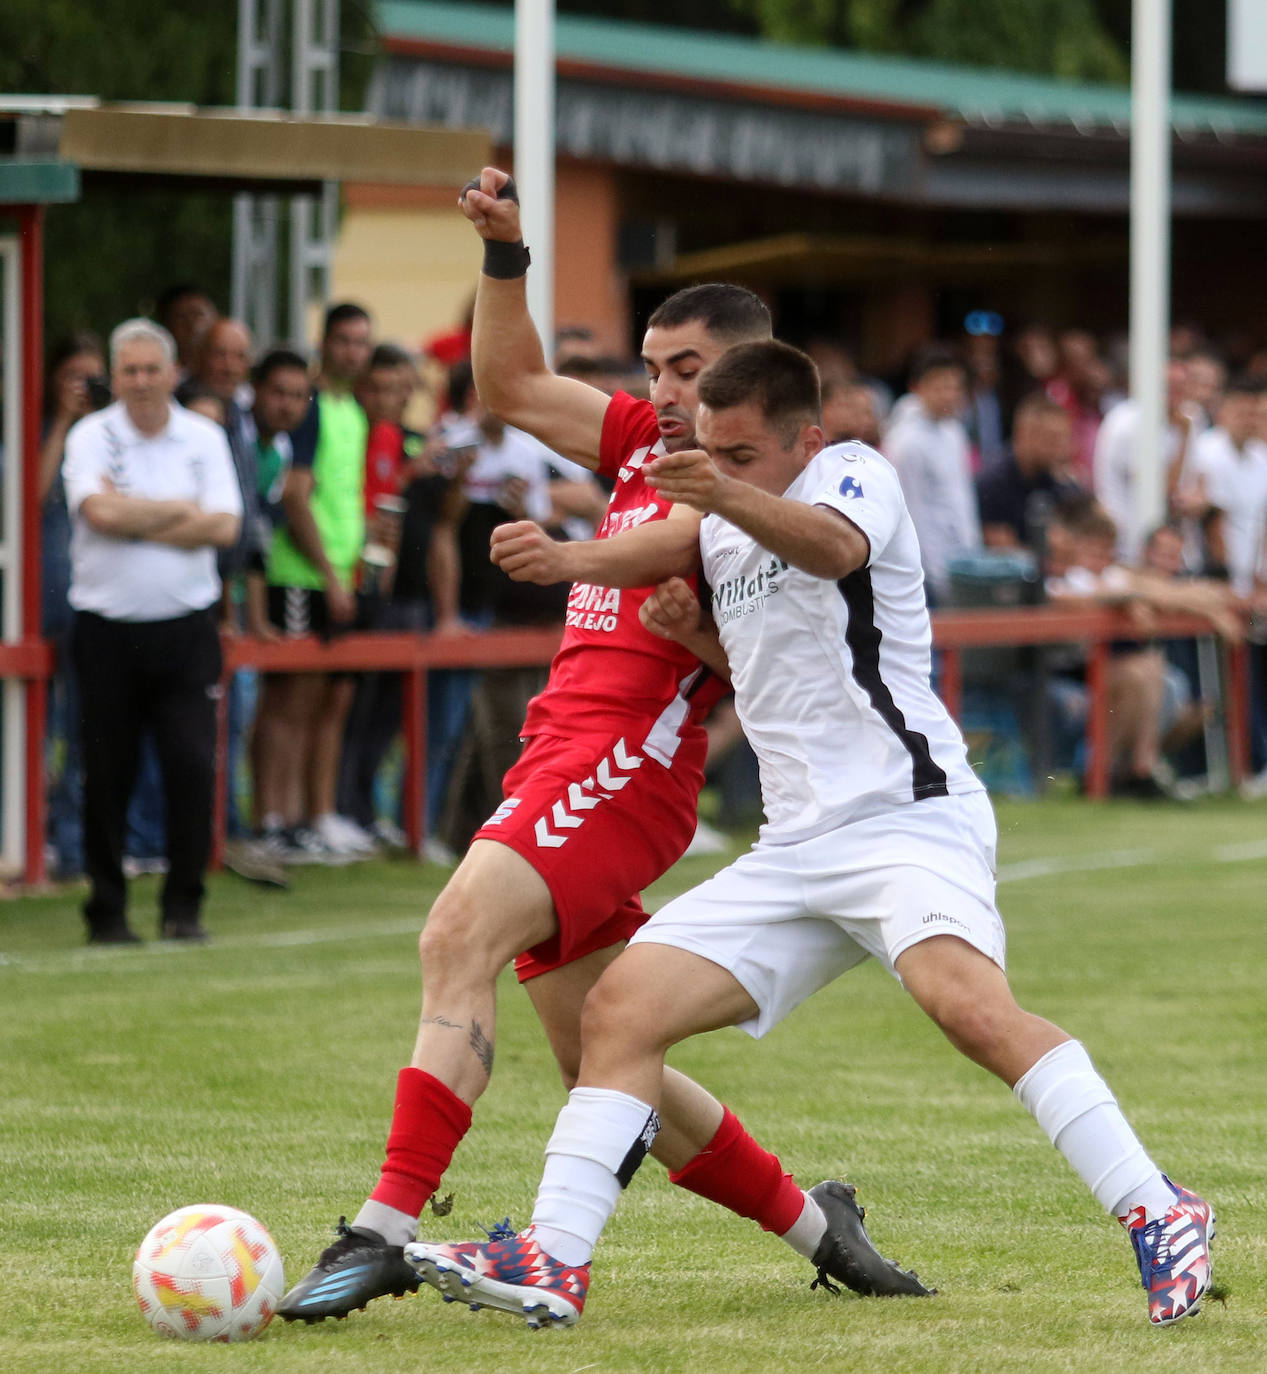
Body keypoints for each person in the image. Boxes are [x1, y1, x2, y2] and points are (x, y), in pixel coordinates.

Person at [404, 340, 1214, 1331]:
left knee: (969, 1010)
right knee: (618, 1015)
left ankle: (1158, 1206)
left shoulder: (852, 475)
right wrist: (574, 563)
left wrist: (714, 500)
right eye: (707, 449)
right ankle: (553, 1262)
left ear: (806, 438)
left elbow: (828, 551)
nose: (716, 468)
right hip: (795, 849)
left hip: (905, 819)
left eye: (739, 453)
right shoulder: (718, 514)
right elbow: (749, 646)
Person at [277, 167, 928, 1323]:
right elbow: (509, 383)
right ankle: (820, 1224)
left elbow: (674, 536)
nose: (662, 391)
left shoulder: (738, 471)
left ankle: (381, 1228)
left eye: (687, 370)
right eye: (654, 367)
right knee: (603, 1061)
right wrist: (506, 254)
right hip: (560, 750)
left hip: (625, 766)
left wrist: (575, 557)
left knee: (454, 934)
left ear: (741, 373)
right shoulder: (637, 441)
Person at [62, 318, 242, 943]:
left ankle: (183, 908)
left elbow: (224, 528)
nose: (140, 382)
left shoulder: (203, 437)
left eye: (150, 369)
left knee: (192, 767)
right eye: (129, 370)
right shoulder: (89, 436)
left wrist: (132, 516)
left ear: (172, 374)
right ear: (114, 376)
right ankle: (107, 912)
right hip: (106, 631)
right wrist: (177, 511)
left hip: (187, 631)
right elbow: (96, 511)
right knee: (106, 775)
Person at [264, 302, 373, 860]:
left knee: (330, 701)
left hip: (338, 574)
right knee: (291, 702)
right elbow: (296, 494)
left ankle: (313, 816)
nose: (354, 351)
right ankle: (272, 819)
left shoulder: (352, 408)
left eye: (362, 342)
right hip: (301, 573)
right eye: (345, 340)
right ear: (325, 342)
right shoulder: (308, 406)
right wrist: (330, 576)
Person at [882, 346, 981, 603]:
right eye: (940, 387)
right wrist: (933, 572)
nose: (950, 395)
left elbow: (963, 498)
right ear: (917, 388)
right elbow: (912, 511)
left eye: (955, 387)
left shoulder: (954, 431)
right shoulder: (905, 443)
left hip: (964, 558)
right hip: (927, 568)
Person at [976, 392, 1084, 552]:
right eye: (1053, 439)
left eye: (1065, 439)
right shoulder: (993, 483)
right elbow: (1003, 551)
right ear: (1024, 435)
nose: (1062, 449)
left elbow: (1083, 533)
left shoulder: (1059, 482)